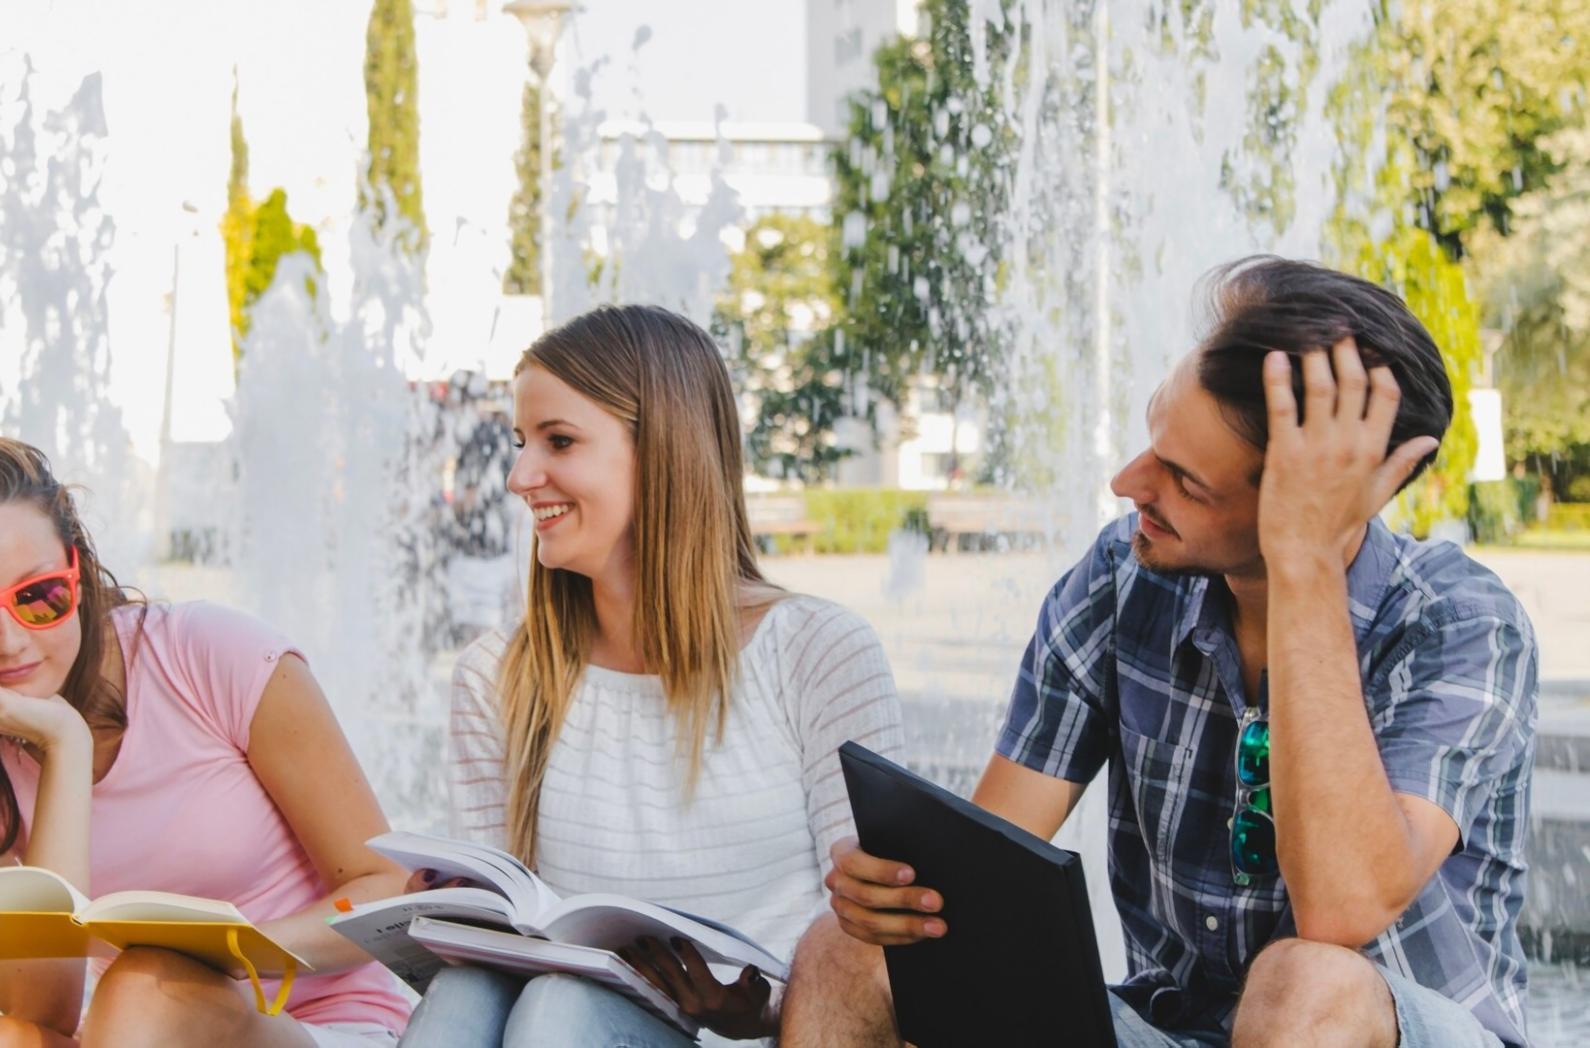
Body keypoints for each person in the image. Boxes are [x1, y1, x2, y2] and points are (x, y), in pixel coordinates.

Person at [782, 257, 1539, 1047]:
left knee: (1306, 982)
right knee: (851, 952)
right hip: (1169, 1028)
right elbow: (987, 872)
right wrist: (898, 895)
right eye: (1153, 441)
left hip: (1384, 1028)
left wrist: (1305, 564)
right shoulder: (1121, 579)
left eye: (1183, 480)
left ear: (1315, 505)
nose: (1126, 482)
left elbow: (1341, 908)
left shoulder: (1460, 623)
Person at [397, 304, 906, 1047]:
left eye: (559, 441)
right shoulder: (496, 675)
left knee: (559, 1014)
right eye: (519, 443)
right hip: (564, 1024)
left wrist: (755, 1012)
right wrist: (454, 918)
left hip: (761, 1037)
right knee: (471, 993)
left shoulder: (818, 651)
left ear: (663, 451)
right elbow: (504, 930)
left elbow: (874, 953)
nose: (518, 477)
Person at [0, 437, 413, 1047]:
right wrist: (64, 746)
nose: (9, 642)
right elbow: (44, 1008)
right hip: (133, 1036)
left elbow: (386, 887)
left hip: (323, 1025)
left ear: (76, 572)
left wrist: (227, 959)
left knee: (145, 985)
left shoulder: (208, 654)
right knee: (1, 1040)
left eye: (38, 597)